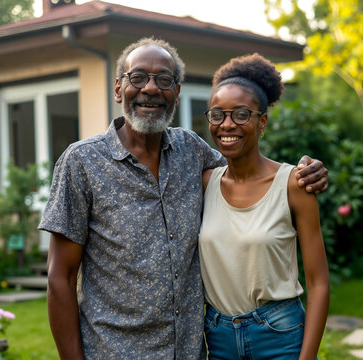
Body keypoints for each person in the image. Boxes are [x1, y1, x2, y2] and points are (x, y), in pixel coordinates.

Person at [38, 37, 329, 359]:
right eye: (138, 77)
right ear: (119, 89)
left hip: (191, 351)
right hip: (114, 351)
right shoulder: (82, 162)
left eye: (164, 79)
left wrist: (306, 172)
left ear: (176, 93)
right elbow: (59, 278)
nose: (151, 88)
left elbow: (248, 173)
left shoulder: (192, 153)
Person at [199, 53, 330, 360]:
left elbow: (319, 282)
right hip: (218, 338)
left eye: (241, 114)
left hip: (279, 335)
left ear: (262, 122)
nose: (227, 124)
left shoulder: (294, 184)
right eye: (217, 115)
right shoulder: (203, 184)